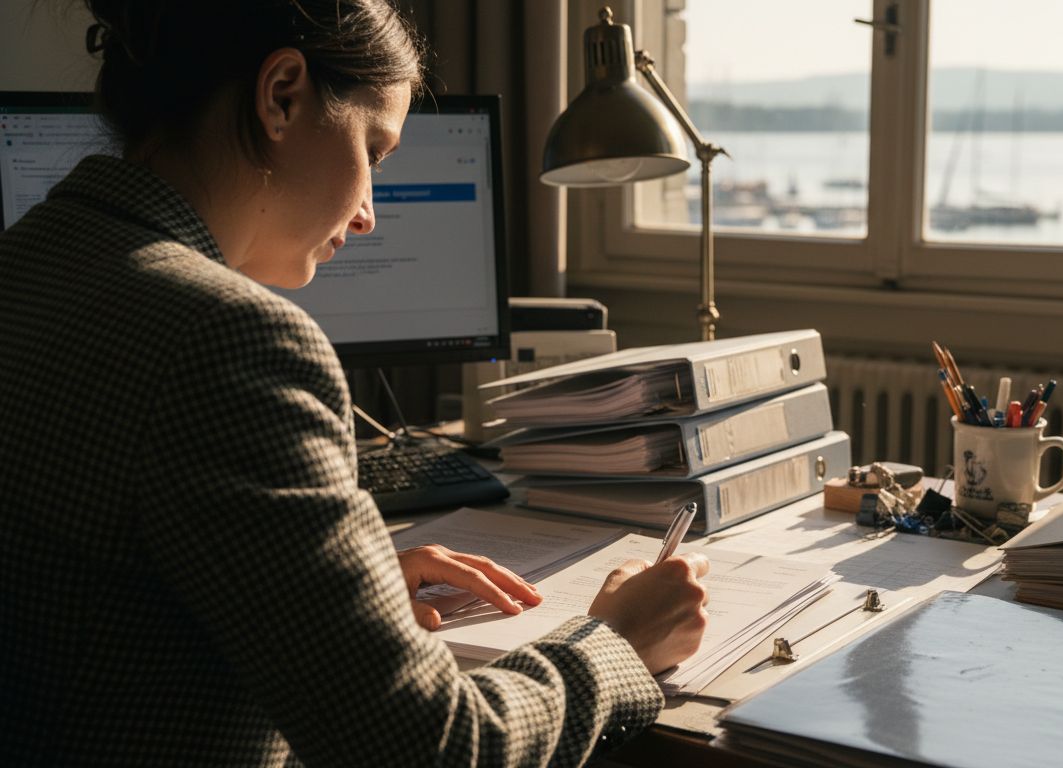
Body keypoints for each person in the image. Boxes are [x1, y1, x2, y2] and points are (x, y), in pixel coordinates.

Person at [0, 1, 709, 765]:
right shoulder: (229, 339)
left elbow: (103, 604)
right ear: (282, 95)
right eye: (374, 149)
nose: (369, 213)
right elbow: (434, 750)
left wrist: (326, 590)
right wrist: (614, 643)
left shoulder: (28, 263)